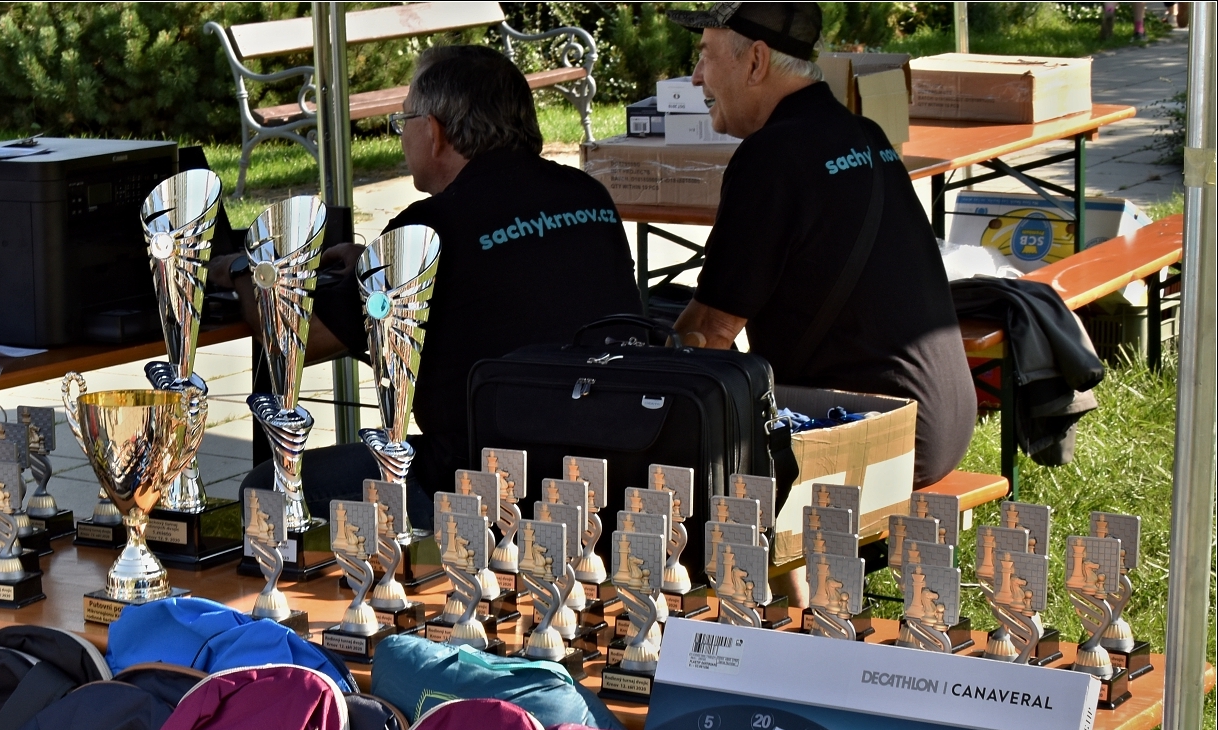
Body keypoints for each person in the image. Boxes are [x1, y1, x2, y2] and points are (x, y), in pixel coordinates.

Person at [234, 43, 641, 521]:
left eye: (403, 121)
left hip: (482, 483)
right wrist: (375, 268)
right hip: (611, 465)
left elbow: (293, 335)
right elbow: (515, 276)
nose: (401, 136)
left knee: (265, 488)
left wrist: (242, 268)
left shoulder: (429, 231)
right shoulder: (586, 194)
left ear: (434, 131)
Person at [671, 2, 975, 487]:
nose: (695, 76)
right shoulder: (864, 133)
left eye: (706, 55)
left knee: (663, 457)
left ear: (756, 62)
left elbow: (712, 330)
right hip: (945, 421)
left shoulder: (772, 156)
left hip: (880, 434)